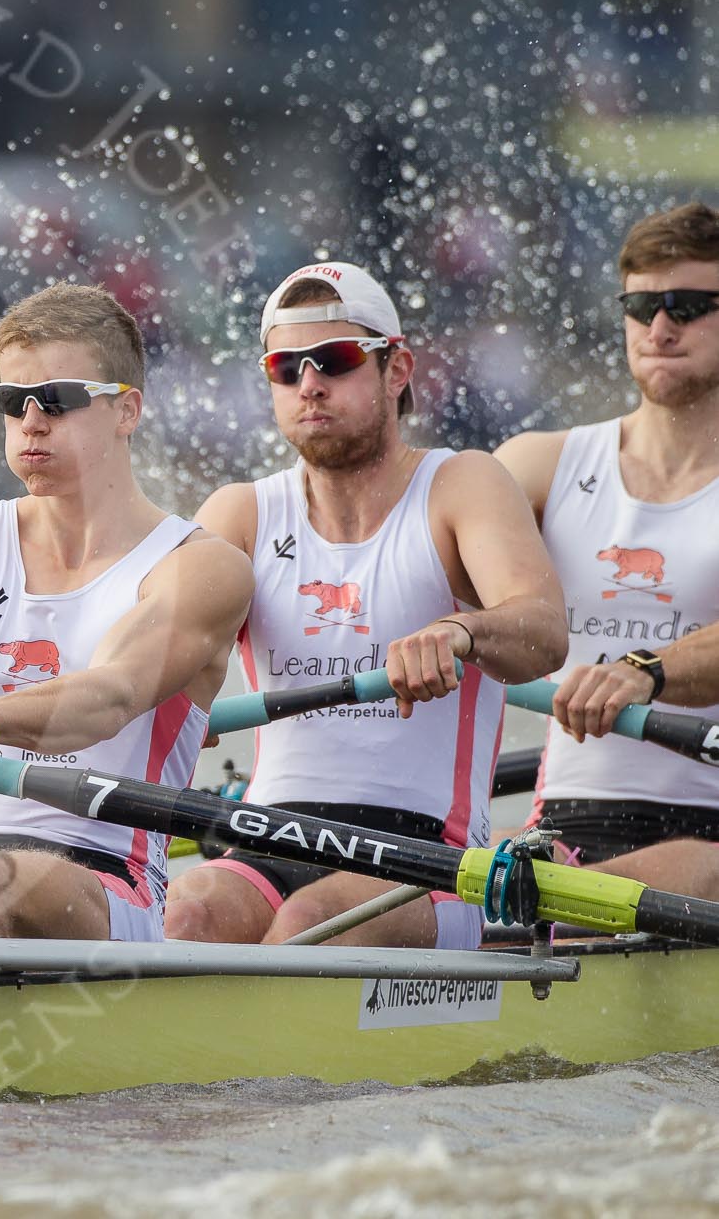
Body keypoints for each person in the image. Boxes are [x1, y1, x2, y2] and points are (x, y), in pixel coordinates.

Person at [163, 261, 567, 948]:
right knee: (183, 915)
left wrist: (461, 632)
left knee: (308, 927)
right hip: (268, 833)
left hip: (428, 860)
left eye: (336, 359)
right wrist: (164, 696)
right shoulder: (241, 514)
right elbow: (147, 658)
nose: (309, 383)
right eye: (285, 367)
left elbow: (544, 633)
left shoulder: (460, 485)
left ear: (397, 368)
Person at [0, 285, 252, 945]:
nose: (32, 421)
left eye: (58, 399)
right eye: (13, 402)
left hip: (110, 882)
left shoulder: (199, 566)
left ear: (127, 410)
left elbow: (109, 696)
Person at [495, 203, 719, 895]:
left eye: (687, 306)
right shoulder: (537, 466)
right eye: (641, 305)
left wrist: (644, 670)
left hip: (707, 834)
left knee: (549, 908)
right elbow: (397, 577)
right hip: (564, 823)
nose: (659, 329)